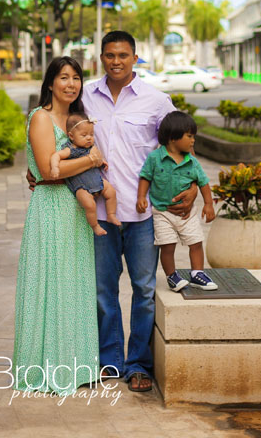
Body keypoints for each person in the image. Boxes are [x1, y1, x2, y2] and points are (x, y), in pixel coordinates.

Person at [82, 31, 199, 393]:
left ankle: (138, 365)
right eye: (110, 55)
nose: (116, 61)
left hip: (144, 214)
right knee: (103, 291)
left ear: (135, 58)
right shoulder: (86, 95)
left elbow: (179, 144)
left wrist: (193, 185)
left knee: (144, 290)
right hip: (100, 212)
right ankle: (111, 361)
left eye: (123, 55)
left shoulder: (156, 100)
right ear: (101, 57)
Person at [13, 56, 106, 395]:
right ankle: (46, 367)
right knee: (50, 283)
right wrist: (90, 160)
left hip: (76, 212)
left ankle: (75, 364)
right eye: (63, 77)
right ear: (50, 82)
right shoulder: (41, 117)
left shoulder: (77, 120)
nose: (71, 84)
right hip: (51, 207)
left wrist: (89, 163)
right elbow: (47, 171)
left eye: (76, 77)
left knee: (74, 284)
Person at [137, 110, 218, 292]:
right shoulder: (155, 158)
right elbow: (145, 177)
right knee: (167, 245)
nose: (193, 141)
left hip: (186, 214)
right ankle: (171, 276)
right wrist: (141, 197)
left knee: (196, 242)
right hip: (162, 213)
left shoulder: (192, 162)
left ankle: (197, 273)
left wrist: (208, 204)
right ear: (173, 137)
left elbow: (203, 183)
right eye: (189, 136)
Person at [50, 111, 120, 236]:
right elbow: (56, 155)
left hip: (97, 181)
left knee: (111, 192)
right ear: (71, 136)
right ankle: (95, 226)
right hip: (81, 187)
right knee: (89, 205)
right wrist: (55, 167)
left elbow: (97, 158)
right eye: (84, 135)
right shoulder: (70, 149)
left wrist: (102, 162)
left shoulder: (91, 147)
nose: (89, 138)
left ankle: (111, 214)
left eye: (91, 134)